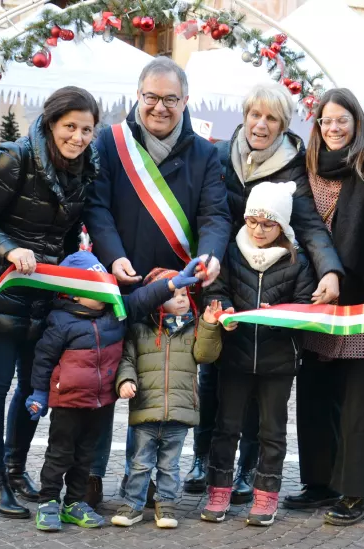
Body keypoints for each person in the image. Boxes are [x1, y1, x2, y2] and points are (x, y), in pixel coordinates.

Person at [184, 82, 344, 501]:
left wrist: (329, 271)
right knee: (212, 373)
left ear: (283, 124)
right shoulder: (220, 155)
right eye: (255, 114)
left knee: (256, 383)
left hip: (268, 281)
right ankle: (204, 458)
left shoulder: (293, 165)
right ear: (244, 116)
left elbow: (308, 225)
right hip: (224, 275)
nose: (261, 124)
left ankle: (247, 468)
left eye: (271, 118)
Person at [83, 57, 230, 504]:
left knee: (162, 385)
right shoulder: (110, 143)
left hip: (175, 295)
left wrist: (210, 253)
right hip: (122, 283)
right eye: (152, 97)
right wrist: (114, 255)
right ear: (138, 96)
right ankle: (88, 478)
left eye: (170, 99)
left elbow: (216, 215)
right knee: (104, 381)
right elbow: (97, 207)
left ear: (185, 101)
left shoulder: (205, 153)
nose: (160, 108)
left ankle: (151, 484)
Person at [0, 86, 101, 518]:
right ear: (50, 123)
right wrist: (8, 249)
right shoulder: (13, 158)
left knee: (32, 386)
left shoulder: (84, 170)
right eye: (70, 127)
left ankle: (14, 467)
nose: (78, 137)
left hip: (45, 296)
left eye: (86, 129)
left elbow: (66, 232)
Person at [283, 89, 364, 526]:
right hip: (317, 298)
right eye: (325, 121)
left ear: (356, 122)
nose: (332, 128)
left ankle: (355, 493)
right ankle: (318, 483)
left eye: (341, 121)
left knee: (358, 406)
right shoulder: (306, 167)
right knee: (314, 398)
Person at [25, 251, 202, 531]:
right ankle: (48, 501)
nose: (104, 290)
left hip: (99, 403)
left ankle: (73, 503)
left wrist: (173, 283)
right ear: (73, 292)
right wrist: (38, 394)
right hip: (68, 403)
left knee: (85, 456)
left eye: (104, 283)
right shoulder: (60, 322)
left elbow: (143, 299)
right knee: (59, 454)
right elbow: (43, 359)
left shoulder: (116, 313)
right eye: (94, 286)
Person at [202, 181, 317, 526]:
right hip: (235, 355)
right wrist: (222, 310)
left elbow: (304, 310)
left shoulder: (297, 260)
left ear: (282, 226)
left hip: (278, 360)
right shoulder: (230, 251)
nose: (258, 230)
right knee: (227, 426)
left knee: (272, 430)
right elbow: (215, 289)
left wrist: (280, 316)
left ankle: (266, 495)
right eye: (253, 221)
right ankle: (218, 489)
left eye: (268, 224)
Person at [110, 271, 222, 529]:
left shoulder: (193, 328)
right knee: (139, 463)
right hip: (146, 409)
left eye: (184, 294)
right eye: (174, 295)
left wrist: (208, 325)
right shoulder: (139, 329)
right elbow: (126, 360)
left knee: (170, 465)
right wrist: (125, 382)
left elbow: (205, 355)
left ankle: (167, 504)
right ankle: (133, 504)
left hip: (179, 412)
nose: (182, 299)